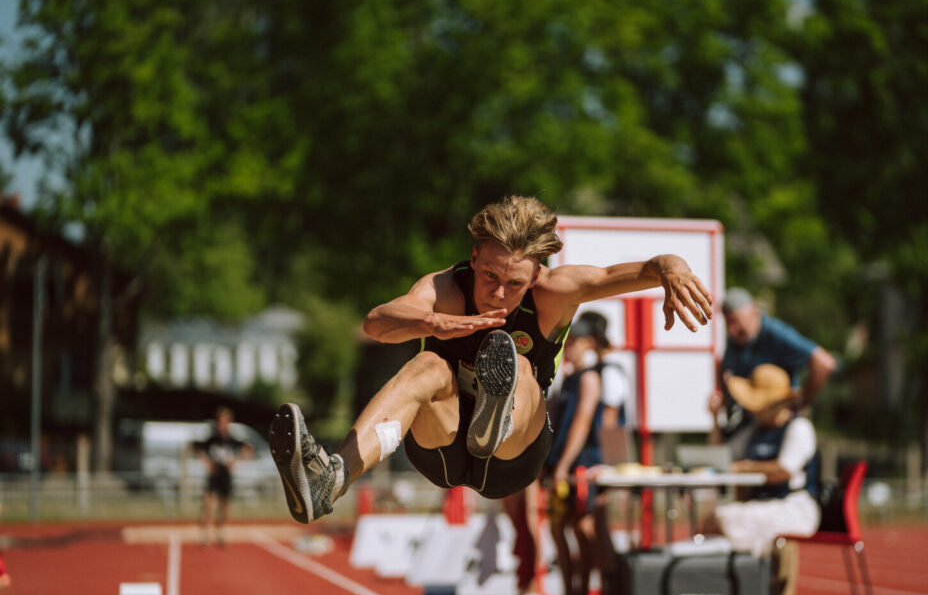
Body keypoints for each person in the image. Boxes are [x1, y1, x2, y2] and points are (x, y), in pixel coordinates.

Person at [268, 195, 713, 524]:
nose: (498, 293)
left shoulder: (555, 292)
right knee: (426, 366)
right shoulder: (445, 289)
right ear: (474, 257)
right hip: (443, 446)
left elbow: (639, 270)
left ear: (535, 276)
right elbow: (376, 324)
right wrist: (432, 322)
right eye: (489, 275)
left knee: (518, 364)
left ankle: (498, 420)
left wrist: (672, 268)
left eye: (514, 283)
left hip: (512, 460)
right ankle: (332, 480)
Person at [702, 363, 821, 595]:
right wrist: (715, 420)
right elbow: (720, 456)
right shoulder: (753, 432)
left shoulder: (799, 428)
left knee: (723, 519)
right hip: (761, 504)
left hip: (793, 505)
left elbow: (784, 469)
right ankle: (729, 592)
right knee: (713, 521)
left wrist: (745, 466)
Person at [542, 311, 625, 595]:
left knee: (590, 527)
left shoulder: (603, 373)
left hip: (589, 462)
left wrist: (610, 465)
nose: (569, 346)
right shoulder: (574, 375)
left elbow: (602, 422)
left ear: (590, 341)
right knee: (571, 527)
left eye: (574, 341)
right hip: (574, 461)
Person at [708, 287, 835, 442]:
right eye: (728, 323)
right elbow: (724, 368)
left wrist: (801, 402)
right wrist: (722, 399)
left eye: (736, 322)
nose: (732, 330)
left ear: (754, 312)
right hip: (752, 427)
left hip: (780, 427)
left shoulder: (776, 334)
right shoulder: (736, 341)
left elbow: (824, 363)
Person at [194, 407, 253, 547]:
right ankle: (204, 533)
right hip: (214, 474)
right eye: (221, 422)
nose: (223, 425)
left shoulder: (232, 440)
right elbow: (197, 449)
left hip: (225, 475)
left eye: (226, 422)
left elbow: (248, 449)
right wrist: (207, 462)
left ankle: (220, 533)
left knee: (224, 506)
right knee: (208, 503)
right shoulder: (212, 439)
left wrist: (236, 460)